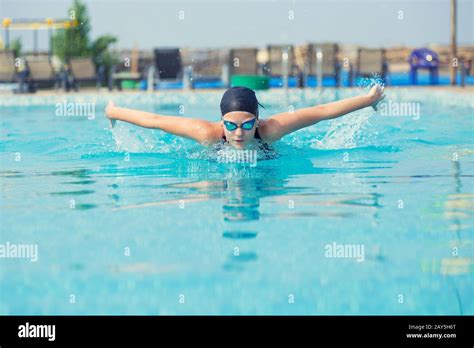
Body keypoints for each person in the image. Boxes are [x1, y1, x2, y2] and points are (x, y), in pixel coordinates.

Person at [105, 85, 385, 150]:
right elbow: (154, 120)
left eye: (247, 124)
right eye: (231, 125)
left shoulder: (271, 130)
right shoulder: (206, 133)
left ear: (257, 120)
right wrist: (114, 111)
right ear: (221, 122)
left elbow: (321, 112)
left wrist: (367, 100)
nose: (239, 133)